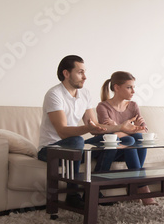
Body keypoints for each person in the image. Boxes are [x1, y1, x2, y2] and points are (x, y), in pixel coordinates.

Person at [37, 55, 144, 209]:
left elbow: (96, 128)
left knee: (122, 140)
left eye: (85, 72)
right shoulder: (54, 94)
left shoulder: (85, 94)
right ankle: (72, 196)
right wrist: (89, 128)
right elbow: (62, 132)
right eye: (80, 72)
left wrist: (120, 128)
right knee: (77, 141)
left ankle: (94, 190)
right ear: (66, 74)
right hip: (51, 150)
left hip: (75, 150)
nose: (85, 77)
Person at [92, 71, 157, 205]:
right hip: (110, 150)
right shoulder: (103, 107)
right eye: (129, 87)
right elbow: (111, 133)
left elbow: (143, 130)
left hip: (127, 149)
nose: (133, 91)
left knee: (136, 138)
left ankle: (138, 187)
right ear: (116, 87)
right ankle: (142, 188)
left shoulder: (133, 106)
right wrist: (131, 129)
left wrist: (127, 128)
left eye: (134, 87)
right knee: (132, 140)